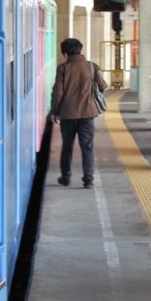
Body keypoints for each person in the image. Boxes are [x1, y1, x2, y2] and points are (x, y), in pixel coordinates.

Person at [49, 37, 107, 188]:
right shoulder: (91, 66)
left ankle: (66, 177)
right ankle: (88, 179)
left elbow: (57, 92)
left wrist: (55, 111)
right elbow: (103, 86)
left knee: (67, 146)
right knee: (87, 146)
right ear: (80, 50)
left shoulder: (62, 68)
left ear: (65, 53)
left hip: (68, 114)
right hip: (88, 113)